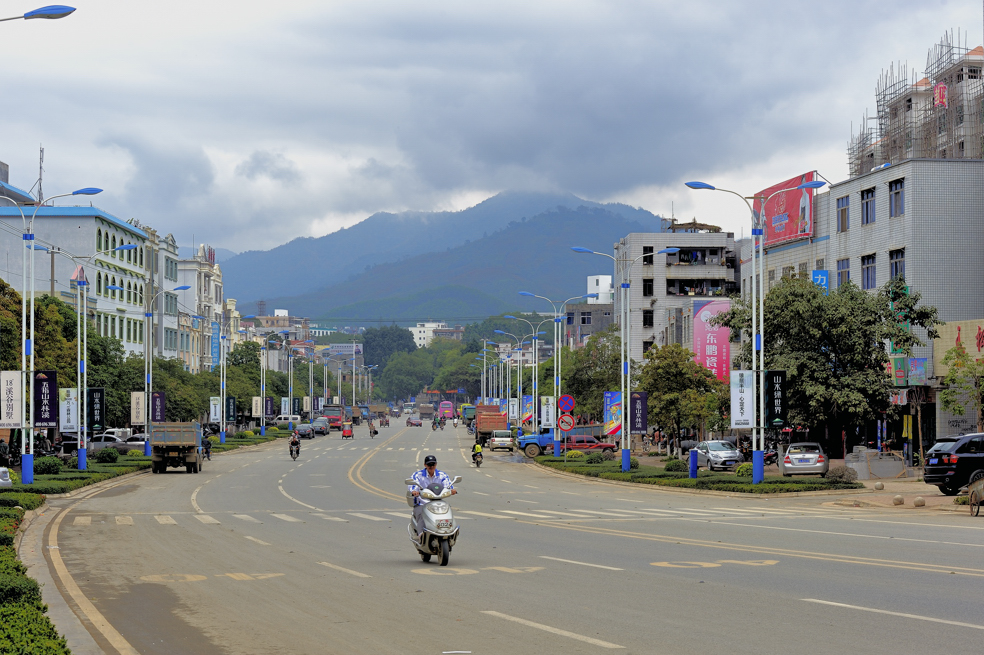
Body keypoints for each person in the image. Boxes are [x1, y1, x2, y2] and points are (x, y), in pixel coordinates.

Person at [408, 455, 456, 540]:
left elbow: (448, 485)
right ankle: (421, 535)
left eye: (433, 464)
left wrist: (452, 490)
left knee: (448, 510)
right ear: (425, 465)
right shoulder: (418, 475)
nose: (431, 467)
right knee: (421, 514)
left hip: (438, 503)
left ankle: (451, 531)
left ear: (436, 464)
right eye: (429, 465)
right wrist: (414, 491)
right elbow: (413, 484)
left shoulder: (442, 475)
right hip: (422, 503)